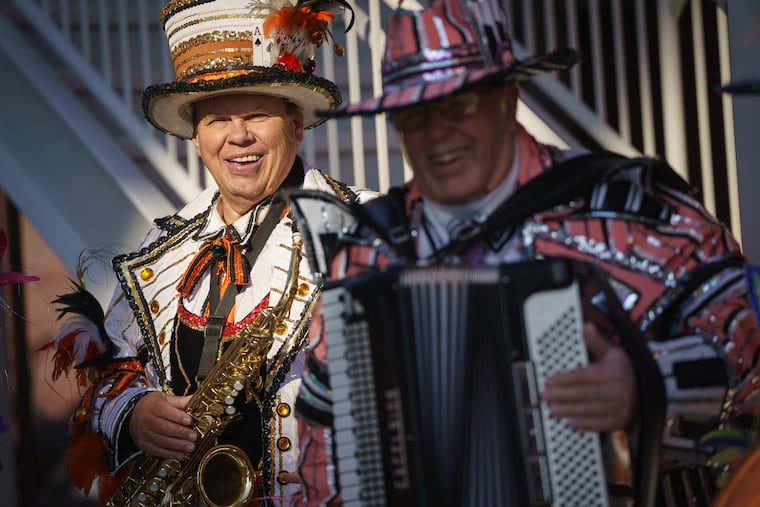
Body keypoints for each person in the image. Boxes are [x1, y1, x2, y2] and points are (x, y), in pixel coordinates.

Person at [290, 0, 760, 505]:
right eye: (414, 115)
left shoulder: (641, 208)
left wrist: (648, 387)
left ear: (507, 97)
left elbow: (749, 354)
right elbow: (324, 421)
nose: (437, 133)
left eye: (460, 104)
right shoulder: (370, 247)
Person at [39, 0, 375, 505]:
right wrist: (136, 413)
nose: (237, 136)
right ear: (197, 138)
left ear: (296, 125)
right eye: (218, 120)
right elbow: (103, 380)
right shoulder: (159, 248)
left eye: (257, 114)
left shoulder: (368, 230)